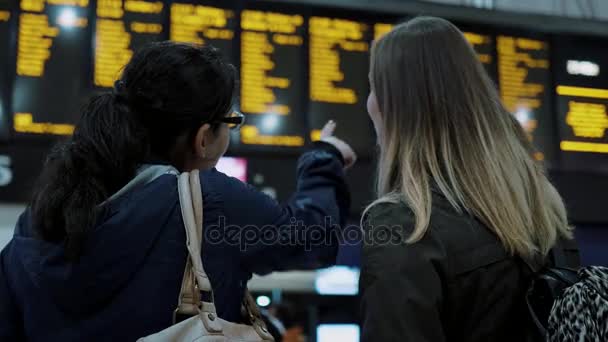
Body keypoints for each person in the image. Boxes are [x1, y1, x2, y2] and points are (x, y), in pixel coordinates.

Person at [0, 41, 355, 341]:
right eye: (231, 122)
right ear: (203, 139)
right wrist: (323, 159)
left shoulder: (39, 217)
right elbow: (315, 238)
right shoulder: (211, 203)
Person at [359, 16, 578, 342]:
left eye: (374, 87)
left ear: (395, 107)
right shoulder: (545, 213)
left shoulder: (407, 223)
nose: (370, 102)